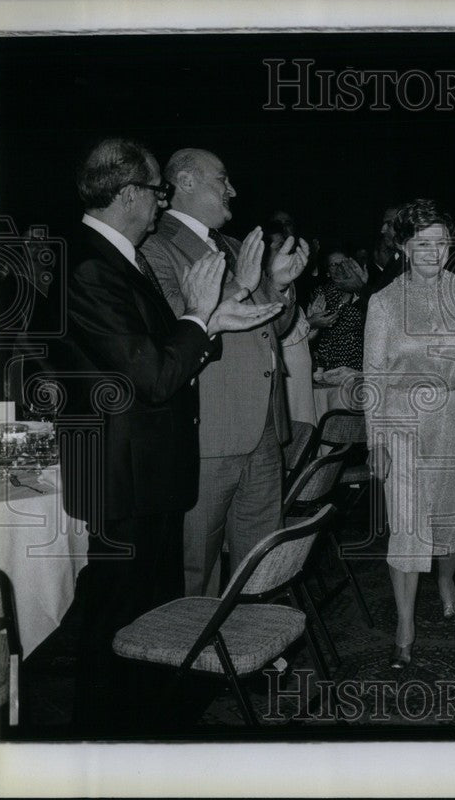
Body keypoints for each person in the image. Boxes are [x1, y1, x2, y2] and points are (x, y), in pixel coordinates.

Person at [57, 138, 283, 732]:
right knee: (114, 625)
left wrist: (213, 318)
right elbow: (155, 375)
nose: (160, 203)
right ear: (129, 194)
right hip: (120, 479)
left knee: (146, 619)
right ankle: (101, 744)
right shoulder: (88, 264)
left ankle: (148, 726)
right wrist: (199, 315)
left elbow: (164, 348)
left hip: (149, 473)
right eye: (156, 191)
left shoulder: (117, 255)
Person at [141, 148, 308, 596]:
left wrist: (280, 286)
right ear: (187, 182)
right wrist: (247, 284)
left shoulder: (235, 246)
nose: (232, 189)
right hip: (211, 434)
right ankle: (199, 663)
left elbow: (275, 327)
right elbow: (182, 326)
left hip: (264, 431)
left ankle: (252, 660)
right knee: (198, 569)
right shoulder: (154, 248)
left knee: (261, 565)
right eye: (223, 178)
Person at [363, 199, 455, 667]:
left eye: (441, 243)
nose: (433, 253)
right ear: (402, 246)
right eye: (422, 244)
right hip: (405, 425)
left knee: (452, 515)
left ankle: (445, 581)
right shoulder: (383, 303)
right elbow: (373, 374)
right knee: (408, 526)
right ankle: (405, 624)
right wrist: (374, 440)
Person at [265, 211, 318, 427]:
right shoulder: (258, 288)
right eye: (277, 248)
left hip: (301, 372)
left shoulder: (292, 283)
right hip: (285, 376)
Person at [307, 248, 368, 374]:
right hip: (331, 358)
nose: (340, 267)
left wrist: (361, 289)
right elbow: (330, 324)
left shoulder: (363, 289)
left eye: (343, 263)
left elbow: (366, 320)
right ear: (328, 272)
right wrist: (345, 299)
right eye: (334, 264)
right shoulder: (322, 292)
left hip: (357, 356)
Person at [366, 205, 403, 294]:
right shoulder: (395, 260)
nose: (383, 230)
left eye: (389, 224)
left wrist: (360, 288)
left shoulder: (419, 262)